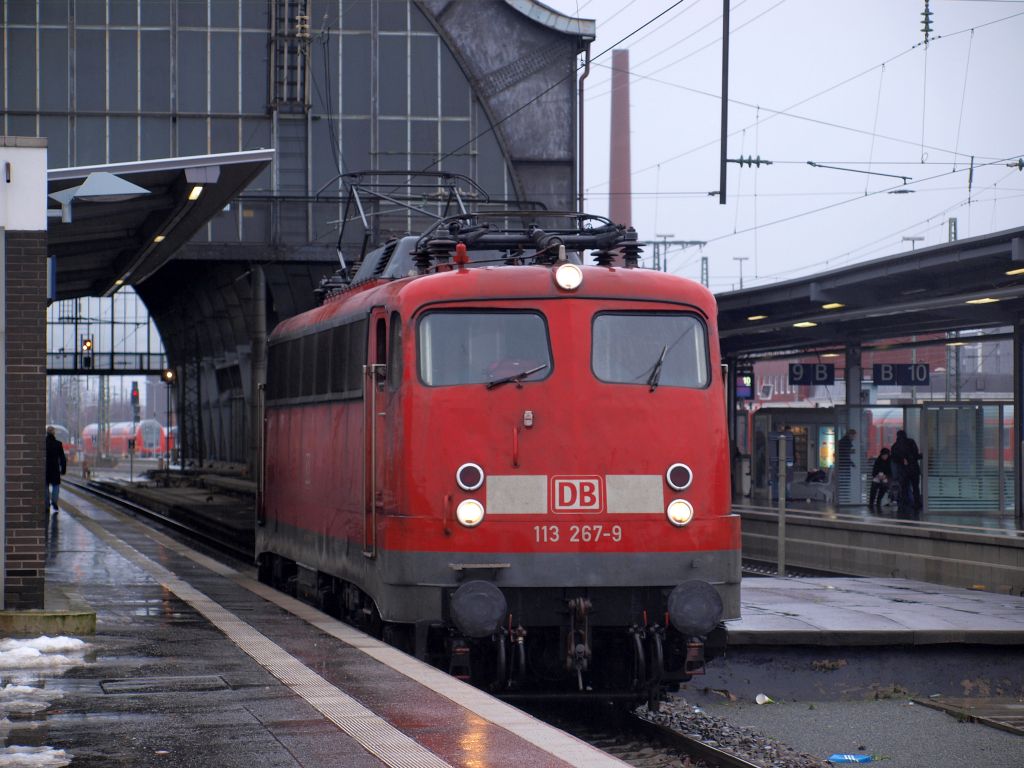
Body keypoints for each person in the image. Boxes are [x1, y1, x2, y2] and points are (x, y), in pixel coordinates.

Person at [891, 429, 923, 512]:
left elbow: (894, 458)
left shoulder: (895, 446)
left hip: (903, 471)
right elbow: (916, 454)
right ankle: (917, 504)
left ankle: (905, 504)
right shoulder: (911, 442)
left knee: (904, 488)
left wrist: (902, 460)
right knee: (915, 487)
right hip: (914, 469)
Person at [45, 425, 67, 512]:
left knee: (45, 487)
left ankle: (46, 504)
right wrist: (63, 469)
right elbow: (62, 458)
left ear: (47, 432)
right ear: (54, 433)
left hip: (45, 469)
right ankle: (54, 502)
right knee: (56, 486)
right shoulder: (58, 444)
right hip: (55, 469)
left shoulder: (43, 443)